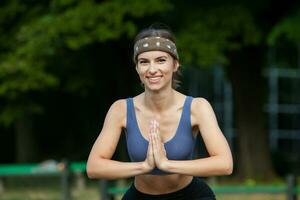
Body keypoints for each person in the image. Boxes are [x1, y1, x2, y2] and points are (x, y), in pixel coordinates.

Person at [86, 25, 233, 200]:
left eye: (161, 60)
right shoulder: (121, 109)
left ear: (175, 64)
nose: (152, 69)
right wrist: (144, 166)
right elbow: (94, 167)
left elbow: (225, 164)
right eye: (144, 62)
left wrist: (167, 165)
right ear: (137, 68)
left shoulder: (197, 107)